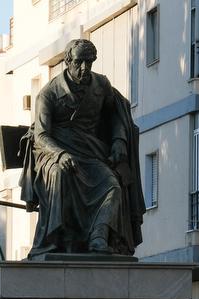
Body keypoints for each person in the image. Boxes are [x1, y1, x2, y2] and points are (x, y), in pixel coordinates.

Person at [19, 38, 144, 257]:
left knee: (111, 185)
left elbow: (116, 114)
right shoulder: (49, 93)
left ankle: (98, 236)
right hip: (54, 153)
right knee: (59, 175)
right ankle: (60, 238)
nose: (84, 67)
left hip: (90, 153)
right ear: (68, 61)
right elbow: (40, 134)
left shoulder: (101, 85)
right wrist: (59, 154)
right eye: (79, 62)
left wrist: (119, 140)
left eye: (89, 62)